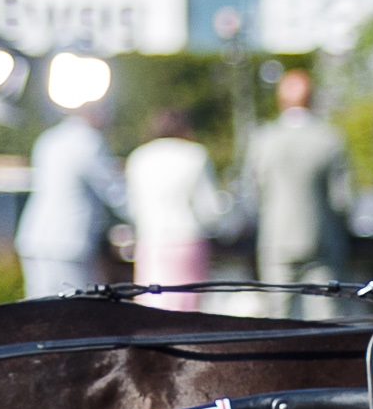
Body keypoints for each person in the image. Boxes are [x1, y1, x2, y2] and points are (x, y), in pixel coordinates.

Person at [240, 66, 353, 292]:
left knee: (276, 317)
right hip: (321, 240)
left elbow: (251, 194)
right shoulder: (329, 139)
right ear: (311, 100)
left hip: (276, 240)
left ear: (280, 101)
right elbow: (342, 201)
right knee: (326, 318)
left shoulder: (264, 140)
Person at [17, 89, 122, 301]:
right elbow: (115, 192)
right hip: (69, 243)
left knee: (38, 314)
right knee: (77, 315)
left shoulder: (49, 138)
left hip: (35, 238)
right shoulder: (90, 141)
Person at [123, 108, 228, 297]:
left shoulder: (138, 158)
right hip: (187, 240)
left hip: (151, 240)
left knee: (152, 303)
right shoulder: (195, 155)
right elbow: (210, 209)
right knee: (187, 306)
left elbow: (132, 208)